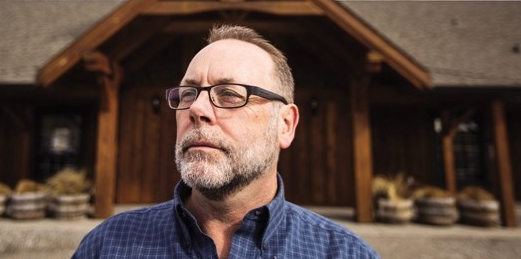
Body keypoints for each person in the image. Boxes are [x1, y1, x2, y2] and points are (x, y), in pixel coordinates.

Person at [73, 24, 379, 258]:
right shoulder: (107, 246)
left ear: (285, 125)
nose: (196, 109)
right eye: (188, 93)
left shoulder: (345, 253)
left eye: (230, 94)